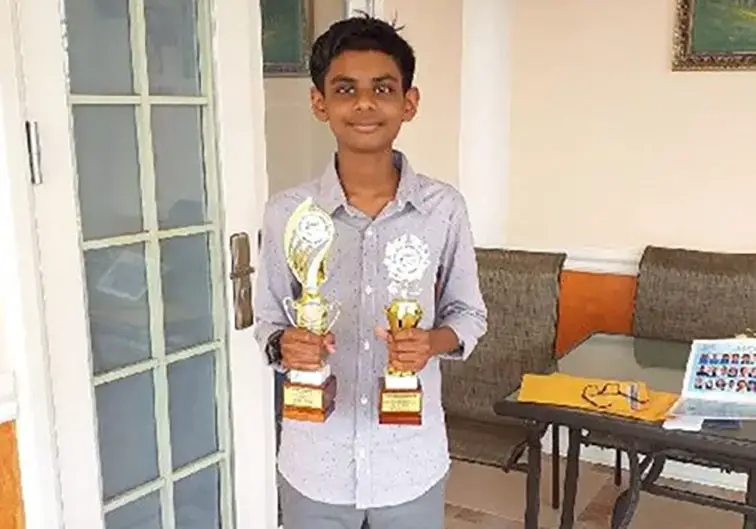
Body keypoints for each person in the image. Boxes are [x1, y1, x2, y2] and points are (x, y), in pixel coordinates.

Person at [253, 13, 487, 529]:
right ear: (320, 103)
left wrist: (432, 342)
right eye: (345, 89)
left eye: (382, 88)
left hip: (409, 462)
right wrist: (283, 344)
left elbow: (469, 314)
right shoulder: (288, 213)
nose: (364, 103)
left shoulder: (443, 209)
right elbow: (268, 319)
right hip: (315, 463)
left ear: (409, 102)